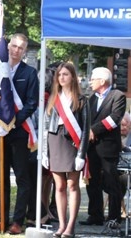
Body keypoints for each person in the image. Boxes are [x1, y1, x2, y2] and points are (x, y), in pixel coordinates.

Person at [0, 33, 39, 235]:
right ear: (7, 47)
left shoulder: (30, 73)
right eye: (13, 46)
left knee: (22, 178)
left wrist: (14, 122)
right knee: (0, 180)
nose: (16, 50)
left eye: (20, 48)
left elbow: (32, 103)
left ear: (24, 51)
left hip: (18, 133)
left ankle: (17, 221)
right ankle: (2, 219)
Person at [42, 62, 90, 238]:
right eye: (60, 75)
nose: (62, 77)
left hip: (73, 143)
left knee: (72, 185)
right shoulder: (53, 99)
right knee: (59, 185)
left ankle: (71, 226)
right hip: (55, 141)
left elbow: (85, 129)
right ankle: (61, 225)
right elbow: (46, 127)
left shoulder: (82, 100)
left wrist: (81, 154)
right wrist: (45, 152)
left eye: (66, 74)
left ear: (72, 77)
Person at [80, 67, 126, 228]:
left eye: (93, 78)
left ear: (102, 81)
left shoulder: (117, 96)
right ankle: (95, 215)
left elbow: (114, 119)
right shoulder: (91, 99)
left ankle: (114, 217)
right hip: (92, 147)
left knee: (111, 182)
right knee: (92, 183)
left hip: (108, 148)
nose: (90, 81)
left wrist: (93, 130)